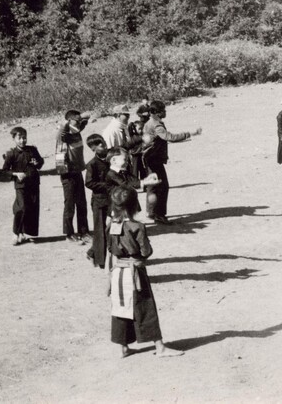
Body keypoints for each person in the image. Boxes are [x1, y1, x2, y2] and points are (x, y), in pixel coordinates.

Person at [107, 186, 183, 358]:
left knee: (120, 308)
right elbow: (145, 251)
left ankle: (123, 347)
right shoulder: (137, 226)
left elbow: (110, 249)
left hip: (118, 271)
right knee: (146, 307)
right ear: (135, 205)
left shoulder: (112, 225)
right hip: (135, 272)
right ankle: (160, 346)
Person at [142, 100, 200, 224]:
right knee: (162, 187)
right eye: (163, 110)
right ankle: (159, 215)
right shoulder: (156, 125)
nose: (165, 112)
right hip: (154, 160)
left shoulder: (150, 122)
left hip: (150, 159)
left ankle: (151, 212)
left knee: (153, 187)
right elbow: (169, 137)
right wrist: (189, 133)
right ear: (157, 112)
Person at [2, 127, 44, 245]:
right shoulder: (11, 154)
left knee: (31, 208)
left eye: (24, 137)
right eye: (19, 138)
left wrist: (38, 163)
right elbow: (4, 171)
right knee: (22, 208)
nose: (22, 140)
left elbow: (40, 163)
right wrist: (16, 174)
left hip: (34, 183)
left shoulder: (32, 150)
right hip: (20, 185)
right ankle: (16, 233)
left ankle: (23, 233)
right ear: (14, 139)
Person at [57, 109, 91, 244]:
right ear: (69, 121)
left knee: (82, 203)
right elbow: (62, 128)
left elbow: (86, 119)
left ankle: (84, 231)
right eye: (76, 121)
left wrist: (79, 119)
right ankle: (69, 233)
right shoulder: (63, 134)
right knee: (69, 204)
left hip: (77, 172)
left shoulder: (76, 131)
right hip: (67, 173)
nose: (79, 123)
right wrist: (73, 118)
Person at [85, 135, 112, 268]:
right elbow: (89, 183)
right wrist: (106, 185)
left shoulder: (111, 158)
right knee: (100, 230)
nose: (104, 146)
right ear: (93, 148)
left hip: (113, 199)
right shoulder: (92, 164)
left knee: (113, 228)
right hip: (99, 201)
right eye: (101, 145)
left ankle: (92, 252)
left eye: (104, 143)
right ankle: (101, 261)